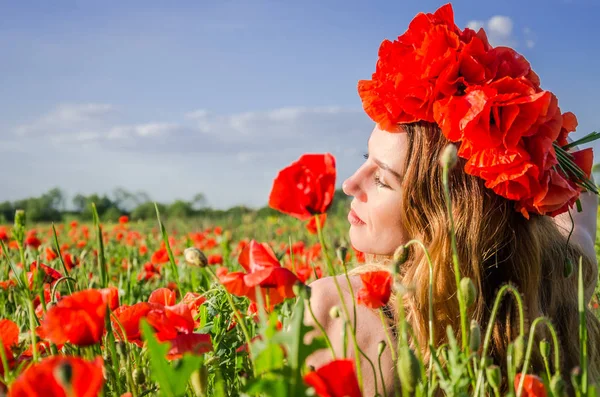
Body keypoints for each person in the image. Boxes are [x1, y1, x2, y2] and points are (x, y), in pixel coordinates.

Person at [305, 4, 600, 396]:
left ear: (443, 214)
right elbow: (580, 213)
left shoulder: (336, 311)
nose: (349, 185)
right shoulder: (561, 284)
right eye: (366, 160)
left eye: (381, 178)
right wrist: (525, 155)